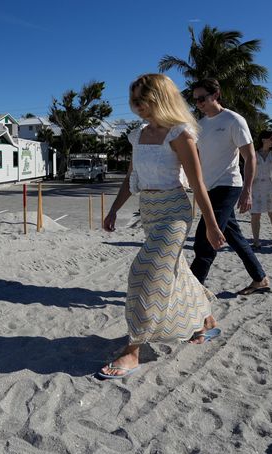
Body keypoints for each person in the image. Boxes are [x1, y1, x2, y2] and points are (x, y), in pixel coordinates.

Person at [98, 74, 226, 379]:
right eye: (134, 101)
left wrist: (211, 224)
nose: (138, 106)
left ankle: (132, 351)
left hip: (174, 213)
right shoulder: (137, 135)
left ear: (161, 98)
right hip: (150, 212)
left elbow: (197, 184)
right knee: (176, 270)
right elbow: (132, 179)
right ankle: (207, 320)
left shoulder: (180, 134)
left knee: (143, 273)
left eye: (144, 99)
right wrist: (114, 209)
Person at [190, 78, 270, 296]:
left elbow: (250, 157)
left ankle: (192, 289)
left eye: (202, 98)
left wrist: (247, 191)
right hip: (208, 188)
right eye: (195, 99)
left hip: (228, 185)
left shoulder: (234, 120)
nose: (198, 103)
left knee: (205, 237)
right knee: (234, 236)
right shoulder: (201, 125)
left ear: (216, 95)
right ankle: (260, 278)